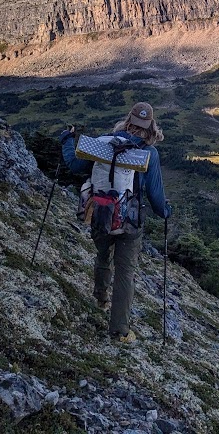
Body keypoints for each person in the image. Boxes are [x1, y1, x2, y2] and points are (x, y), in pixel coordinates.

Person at [60, 102, 171, 343]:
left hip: (100, 212)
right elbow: (155, 196)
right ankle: (119, 331)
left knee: (102, 256)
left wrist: (67, 140)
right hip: (131, 221)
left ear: (127, 119)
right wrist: (166, 212)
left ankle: (100, 297)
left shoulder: (103, 143)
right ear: (151, 126)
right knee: (125, 272)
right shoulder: (149, 154)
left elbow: (75, 165)